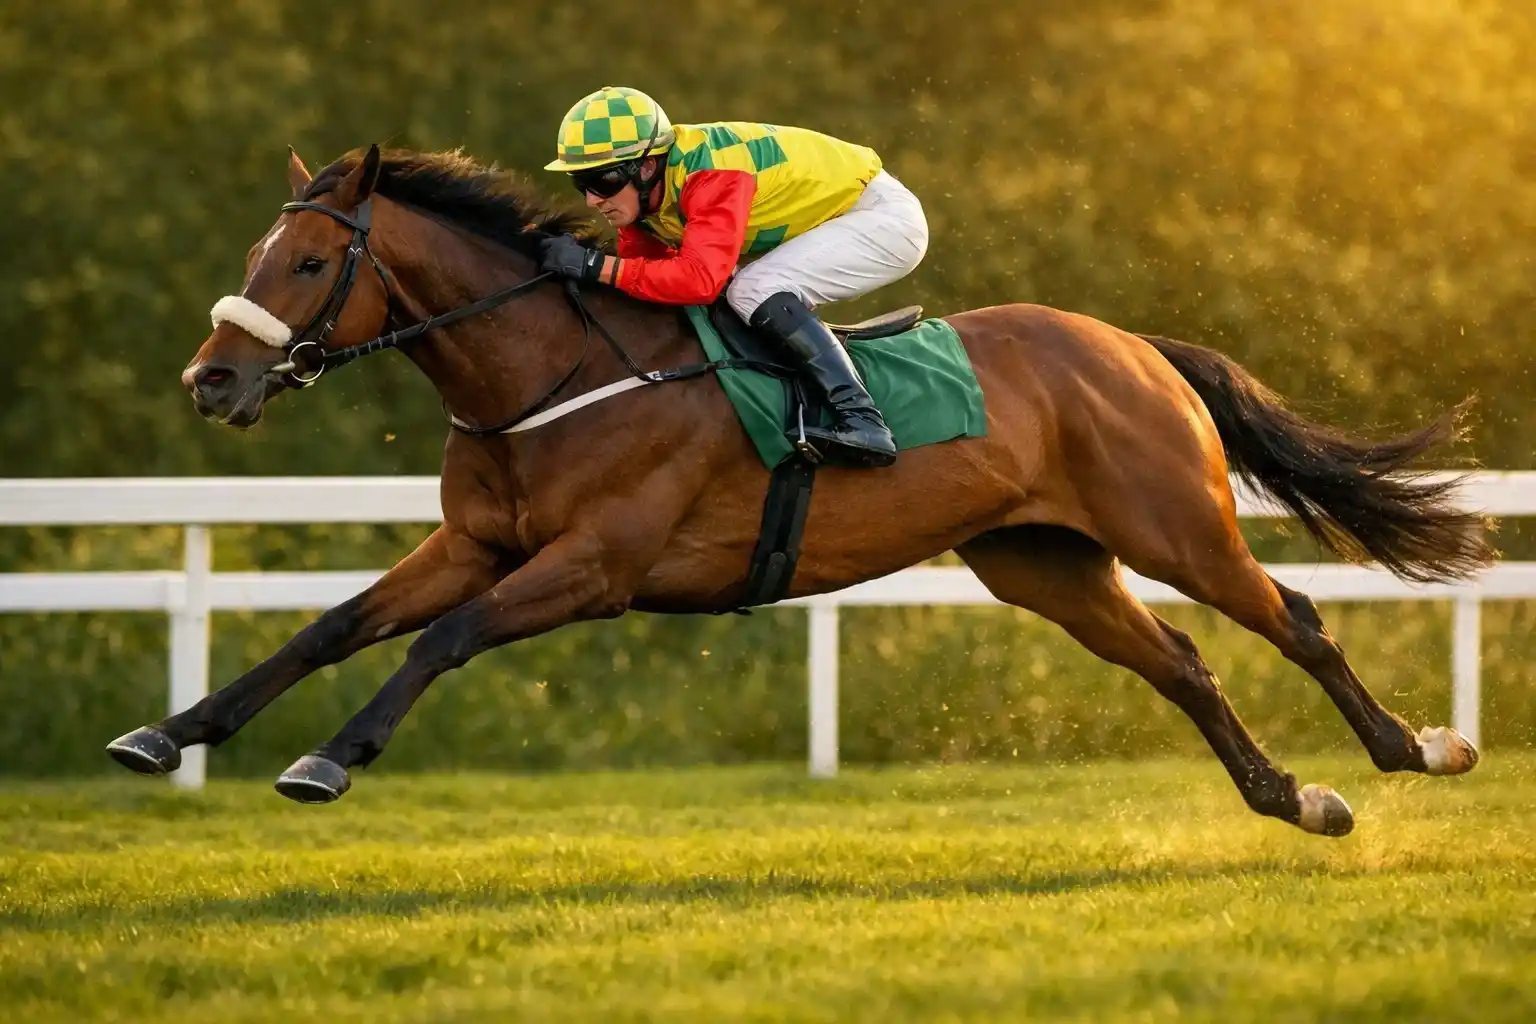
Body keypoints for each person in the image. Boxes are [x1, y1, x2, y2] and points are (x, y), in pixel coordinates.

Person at [538, 86, 929, 467]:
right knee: (739, 291)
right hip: (834, 220)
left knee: (753, 288)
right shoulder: (645, 202)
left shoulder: (711, 174)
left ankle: (863, 421)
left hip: (881, 219)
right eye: (580, 183)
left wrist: (594, 266)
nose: (591, 199)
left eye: (602, 181)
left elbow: (698, 281)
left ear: (646, 166)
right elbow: (647, 281)